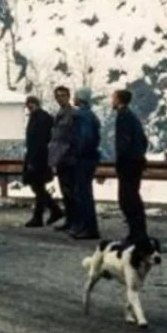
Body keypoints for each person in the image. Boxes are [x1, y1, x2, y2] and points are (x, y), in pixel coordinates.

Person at [112, 89, 149, 243]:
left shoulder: (123, 117)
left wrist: (123, 159)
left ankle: (137, 233)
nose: (111, 101)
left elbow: (123, 142)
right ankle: (138, 231)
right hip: (135, 162)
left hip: (128, 164)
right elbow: (143, 140)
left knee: (127, 199)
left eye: (113, 98)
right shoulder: (131, 116)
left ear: (119, 100)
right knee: (132, 197)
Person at [23, 96, 62, 228]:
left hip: (39, 158)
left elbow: (38, 142)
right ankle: (53, 210)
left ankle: (40, 215)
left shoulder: (40, 119)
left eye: (30, 104)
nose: (29, 107)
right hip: (40, 157)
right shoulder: (41, 117)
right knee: (38, 187)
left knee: (38, 187)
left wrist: (33, 161)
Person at [69, 87, 102, 240]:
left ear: (79, 99)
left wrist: (77, 153)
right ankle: (87, 227)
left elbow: (84, 138)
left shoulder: (81, 116)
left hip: (83, 159)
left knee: (83, 194)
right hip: (90, 158)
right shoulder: (90, 115)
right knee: (85, 193)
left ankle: (88, 228)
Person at [47, 86, 78, 233]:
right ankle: (70, 220)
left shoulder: (73, 114)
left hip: (68, 158)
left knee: (71, 191)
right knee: (65, 191)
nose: (60, 98)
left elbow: (71, 138)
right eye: (58, 96)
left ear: (68, 96)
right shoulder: (59, 114)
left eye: (63, 95)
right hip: (60, 158)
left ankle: (74, 221)